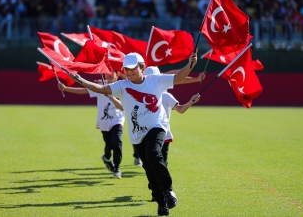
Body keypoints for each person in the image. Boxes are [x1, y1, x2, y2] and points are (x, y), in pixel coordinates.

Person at [67, 50, 198, 216]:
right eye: (126, 69)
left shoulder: (155, 80)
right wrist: (79, 79)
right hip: (137, 136)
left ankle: (169, 191)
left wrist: (190, 64)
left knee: (153, 155)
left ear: (142, 67)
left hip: (156, 127)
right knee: (150, 172)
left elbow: (178, 77)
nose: (128, 72)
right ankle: (161, 204)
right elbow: (101, 88)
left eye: (132, 68)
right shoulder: (122, 86)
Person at [143, 66, 201, 202]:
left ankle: (161, 192)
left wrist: (191, 101)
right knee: (150, 166)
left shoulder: (166, 96)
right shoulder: (142, 97)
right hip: (146, 136)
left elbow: (180, 109)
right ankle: (156, 189)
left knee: (160, 164)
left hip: (164, 136)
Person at [58, 70, 125, 179]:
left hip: (117, 121)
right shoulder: (100, 87)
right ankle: (107, 158)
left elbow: (121, 107)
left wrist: (111, 97)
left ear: (117, 74)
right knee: (109, 145)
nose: (108, 75)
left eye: (111, 72)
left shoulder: (122, 87)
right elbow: (83, 91)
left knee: (117, 143)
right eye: (106, 73)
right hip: (104, 122)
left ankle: (117, 169)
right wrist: (65, 88)